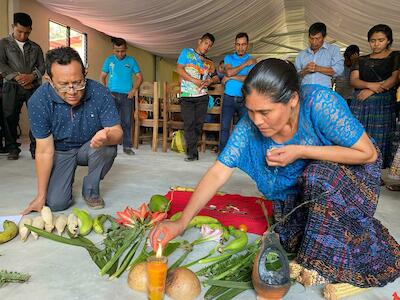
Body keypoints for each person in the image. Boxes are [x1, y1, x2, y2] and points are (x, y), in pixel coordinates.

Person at [150, 59, 400, 288]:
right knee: (289, 238)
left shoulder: (320, 103)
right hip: (304, 192)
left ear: (292, 99)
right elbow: (218, 173)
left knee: (318, 175)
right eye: (251, 111)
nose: (257, 120)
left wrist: (302, 151)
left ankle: (327, 259)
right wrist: (181, 223)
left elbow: (367, 154)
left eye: (265, 112)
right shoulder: (251, 126)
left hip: (351, 179)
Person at [22, 47, 122, 214]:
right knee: (55, 204)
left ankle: (90, 188)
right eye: (63, 85)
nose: (72, 92)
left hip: (90, 146)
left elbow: (118, 133)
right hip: (60, 151)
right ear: (49, 80)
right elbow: (44, 151)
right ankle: (63, 180)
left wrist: (107, 136)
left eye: (77, 83)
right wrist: (40, 196)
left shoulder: (100, 92)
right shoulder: (38, 101)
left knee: (108, 148)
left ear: (85, 73)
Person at [349, 24, 399, 169]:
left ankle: (376, 171)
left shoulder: (395, 56)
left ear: (388, 40)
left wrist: (371, 90)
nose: (376, 44)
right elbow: (353, 81)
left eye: (380, 40)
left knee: (379, 137)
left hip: (383, 106)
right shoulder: (360, 60)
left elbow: (394, 79)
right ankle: (356, 170)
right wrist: (371, 85)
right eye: (372, 40)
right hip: (360, 106)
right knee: (359, 136)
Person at [0, 12, 45, 160]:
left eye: (27, 32)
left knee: (37, 116)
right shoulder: (4, 44)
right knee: (9, 117)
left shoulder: (36, 47)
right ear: (13, 27)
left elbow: (42, 65)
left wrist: (32, 76)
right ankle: (12, 148)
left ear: (30, 30)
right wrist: (17, 77)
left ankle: (35, 148)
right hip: (11, 86)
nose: (23, 36)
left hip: (33, 86)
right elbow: (1, 64)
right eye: (19, 31)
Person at [176, 33, 219, 161]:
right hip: (187, 96)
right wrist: (194, 80)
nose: (207, 47)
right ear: (200, 41)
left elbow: (216, 77)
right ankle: (192, 152)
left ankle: (192, 150)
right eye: (206, 43)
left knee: (198, 125)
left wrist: (210, 81)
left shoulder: (209, 62)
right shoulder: (187, 52)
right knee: (189, 123)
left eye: (210, 45)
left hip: (202, 96)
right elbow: (179, 69)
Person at [100, 37, 142, 155]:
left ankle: (127, 146)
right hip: (112, 94)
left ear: (126, 49)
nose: (120, 53)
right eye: (117, 51)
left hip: (127, 95)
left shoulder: (131, 61)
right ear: (113, 50)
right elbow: (102, 76)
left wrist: (134, 90)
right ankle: (110, 145)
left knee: (127, 121)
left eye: (122, 51)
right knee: (110, 121)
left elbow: (139, 77)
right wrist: (106, 91)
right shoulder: (109, 60)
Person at [219, 32, 256, 152]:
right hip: (228, 97)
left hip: (244, 98)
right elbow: (228, 72)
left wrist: (230, 77)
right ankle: (223, 154)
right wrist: (245, 64)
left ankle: (241, 154)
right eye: (238, 44)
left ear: (247, 45)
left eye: (243, 44)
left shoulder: (253, 60)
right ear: (234, 45)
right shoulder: (228, 58)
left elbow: (250, 79)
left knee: (244, 128)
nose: (241, 47)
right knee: (224, 127)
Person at [295, 22, 343, 88]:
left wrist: (317, 68)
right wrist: (304, 71)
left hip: (324, 94)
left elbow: (339, 70)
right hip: (305, 93)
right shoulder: (302, 54)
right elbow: (295, 76)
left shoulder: (333, 50)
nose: (314, 42)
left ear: (324, 36)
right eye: (311, 38)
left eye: (317, 38)